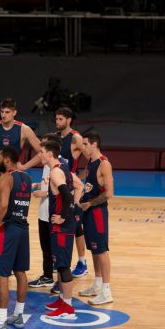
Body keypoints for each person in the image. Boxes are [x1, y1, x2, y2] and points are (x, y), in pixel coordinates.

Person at [0, 98, 42, 270]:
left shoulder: (24, 130)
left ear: (14, 112)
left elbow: (41, 151)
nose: (4, 115)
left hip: (14, 181)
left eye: (8, 112)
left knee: (12, 219)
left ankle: (13, 254)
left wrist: (25, 166)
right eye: (2, 112)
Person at [0, 145, 32, 329]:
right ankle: (18, 314)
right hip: (23, 228)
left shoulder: (5, 177)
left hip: (8, 229)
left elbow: (3, 204)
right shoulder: (26, 178)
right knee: (20, 272)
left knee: (2, 274)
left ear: (7, 161)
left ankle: (1, 323)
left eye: (0, 158)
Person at [40, 140, 84, 319]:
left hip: (62, 227)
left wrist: (63, 217)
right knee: (59, 263)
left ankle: (68, 307)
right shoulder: (63, 167)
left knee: (64, 266)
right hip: (62, 226)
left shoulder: (56, 172)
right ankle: (61, 299)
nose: (40, 155)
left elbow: (66, 195)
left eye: (42, 152)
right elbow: (78, 185)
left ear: (50, 154)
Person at [78, 131, 115, 305]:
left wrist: (91, 204)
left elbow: (109, 193)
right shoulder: (90, 162)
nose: (82, 148)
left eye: (85, 144)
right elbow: (84, 183)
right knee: (93, 249)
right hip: (88, 210)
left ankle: (107, 291)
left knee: (101, 250)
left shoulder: (104, 164)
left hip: (98, 212)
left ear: (94, 144)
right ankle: (98, 284)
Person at [28, 133, 67, 290]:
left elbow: (66, 190)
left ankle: (61, 280)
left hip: (53, 212)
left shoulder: (61, 165)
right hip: (43, 212)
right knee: (46, 248)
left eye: (43, 147)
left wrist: (44, 193)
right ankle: (47, 276)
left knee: (56, 249)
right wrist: (38, 185)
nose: (40, 152)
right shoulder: (46, 165)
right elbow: (48, 184)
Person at [55, 107, 89, 279]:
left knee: (76, 227)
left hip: (73, 190)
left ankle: (82, 262)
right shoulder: (55, 138)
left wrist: (80, 177)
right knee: (59, 224)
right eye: (56, 119)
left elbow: (91, 157)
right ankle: (60, 260)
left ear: (69, 120)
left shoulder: (76, 138)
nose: (58, 122)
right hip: (59, 189)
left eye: (61, 119)